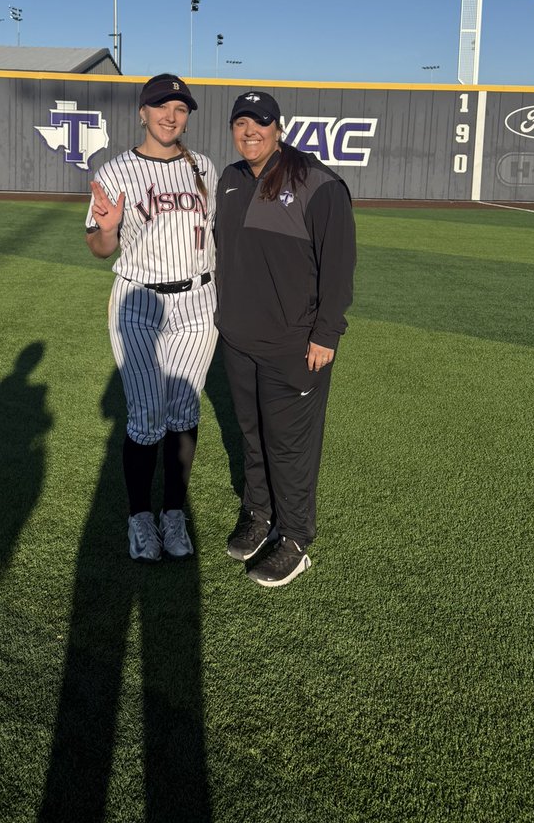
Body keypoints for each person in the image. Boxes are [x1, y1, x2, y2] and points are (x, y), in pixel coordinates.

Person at [214, 90, 356, 587]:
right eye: (241, 122)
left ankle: (295, 539)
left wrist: (326, 334)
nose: (250, 131)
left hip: (294, 344)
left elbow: (338, 266)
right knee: (252, 435)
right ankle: (259, 514)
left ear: (278, 128)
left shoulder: (318, 183)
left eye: (260, 122)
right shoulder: (230, 179)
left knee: (289, 446)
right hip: (238, 338)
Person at [86, 73, 218, 561]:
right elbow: (100, 248)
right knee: (146, 416)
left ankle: (173, 514)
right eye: (161, 106)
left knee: (184, 411)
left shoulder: (204, 168)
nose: (171, 115)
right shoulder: (115, 171)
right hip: (139, 302)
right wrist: (108, 230)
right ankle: (140, 517)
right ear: (142, 112)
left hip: (199, 303)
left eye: (180, 108)